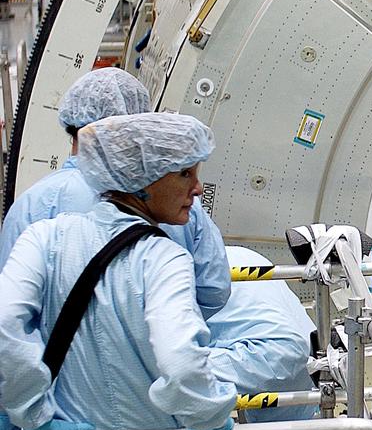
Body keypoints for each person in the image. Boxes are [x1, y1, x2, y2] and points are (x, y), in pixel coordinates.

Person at [0, 112, 237, 430]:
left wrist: (34, 417)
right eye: (186, 173)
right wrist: (210, 417)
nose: (198, 188)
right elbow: (180, 357)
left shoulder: (42, 240)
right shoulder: (163, 256)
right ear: (144, 180)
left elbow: (4, 329)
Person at [0, 67, 231, 319]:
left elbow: (12, 311)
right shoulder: (178, 201)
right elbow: (213, 289)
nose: (197, 188)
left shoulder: (32, 205)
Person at [211, 245, 323, 430]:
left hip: (272, 354)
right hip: (306, 358)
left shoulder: (172, 268)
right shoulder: (236, 253)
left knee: (180, 375)